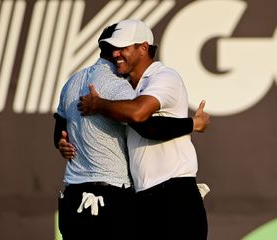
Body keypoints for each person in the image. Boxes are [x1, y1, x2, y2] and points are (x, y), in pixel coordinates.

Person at [55, 23, 210, 240]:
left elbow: (140, 117)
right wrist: (65, 142)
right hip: (144, 196)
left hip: (174, 193)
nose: (116, 53)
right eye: (113, 48)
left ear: (144, 47)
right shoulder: (127, 86)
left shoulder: (164, 77)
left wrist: (98, 105)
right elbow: (62, 130)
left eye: (123, 47)